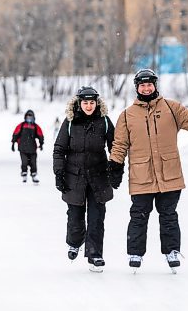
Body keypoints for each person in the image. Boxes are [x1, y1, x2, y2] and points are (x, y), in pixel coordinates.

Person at [107, 69, 188, 273]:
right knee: (138, 215)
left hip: (169, 174)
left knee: (168, 215)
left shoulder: (170, 108)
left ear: (155, 85)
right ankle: (135, 252)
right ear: (136, 87)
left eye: (149, 84)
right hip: (141, 176)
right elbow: (120, 144)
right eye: (142, 85)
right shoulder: (127, 116)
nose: (146, 88)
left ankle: (172, 251)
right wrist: (115, 166)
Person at [53, 86, 115, 272]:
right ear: (79, 103)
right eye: (85, 102)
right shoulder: (70, 122)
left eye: (92, 102)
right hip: (74, 178)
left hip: (99, 178)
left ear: (97, 103)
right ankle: (74, 242)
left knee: (97, 218)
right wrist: (59, 173)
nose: (89, 106)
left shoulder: (104, 121)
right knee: (75, 217)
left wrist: (116, 170)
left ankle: (95, 255)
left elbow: (116, 147)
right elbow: (59, 149)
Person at [11, 109, 44, 184]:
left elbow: (40, 135)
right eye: (28, 117)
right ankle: (24, 174)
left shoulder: (35, 126)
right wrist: (13, 143)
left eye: (30, 117)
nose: (29, 118)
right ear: (25, 117)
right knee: (24, 162)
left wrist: (41, 144)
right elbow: (15, 134)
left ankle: (34, 175)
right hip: (22, 148)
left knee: (33, 162)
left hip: (32, 148)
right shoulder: (21, 125)